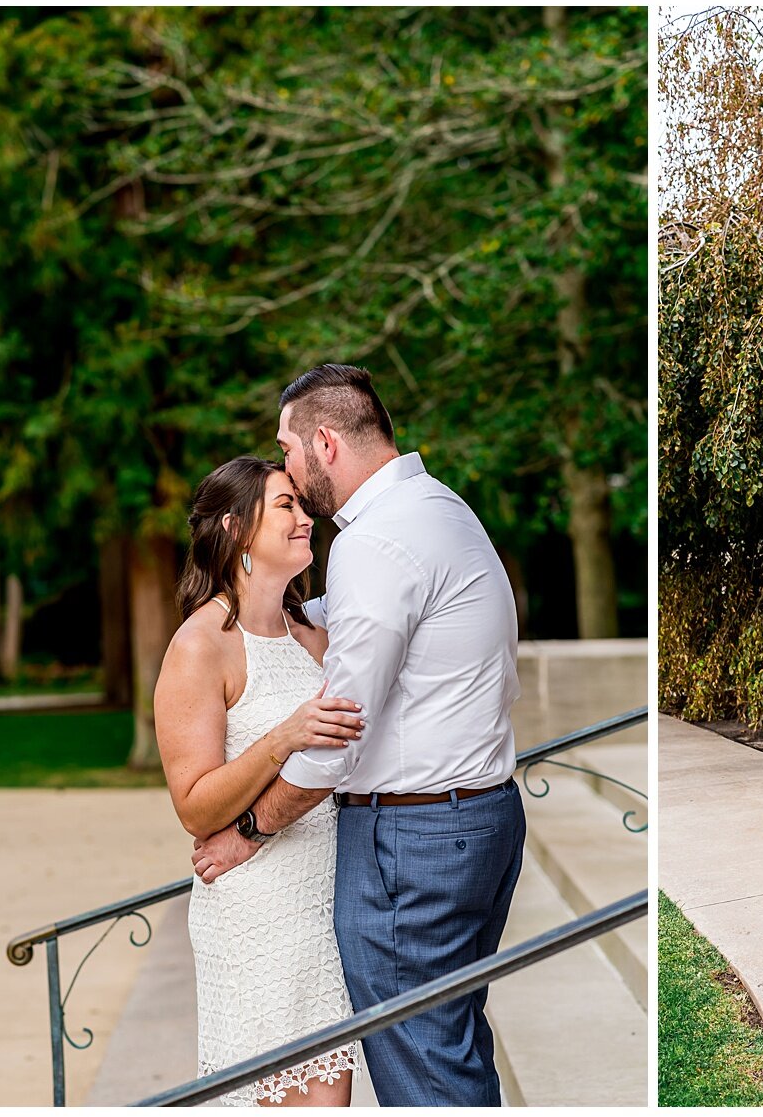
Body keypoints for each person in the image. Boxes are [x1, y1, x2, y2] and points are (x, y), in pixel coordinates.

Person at [191, 364, 526, 1107]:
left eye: (287, 449)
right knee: (448, 1046)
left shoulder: (377, 543)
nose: (283, 465)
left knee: (428, 1070)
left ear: (324, 443)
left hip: (416, 841)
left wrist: (250, 829)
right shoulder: (438, 509)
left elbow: (337, 732)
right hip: (475, 816)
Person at [154, 456, 365, 1106]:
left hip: (330, 900)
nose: (306, 518)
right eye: (286, 506)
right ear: (235, 528)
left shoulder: (316, 637)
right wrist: (283, 736)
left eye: (304, 506)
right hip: (255, 911)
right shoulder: (201, 645)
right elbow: (194, 807)